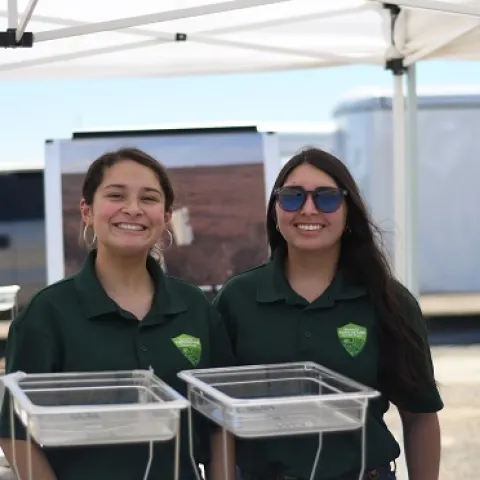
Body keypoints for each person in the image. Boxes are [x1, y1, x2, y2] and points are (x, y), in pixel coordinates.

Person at [0, 147, 236, 480]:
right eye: (116, 195)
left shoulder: (194, 307)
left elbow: (219, 422)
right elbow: (15, 432)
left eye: (149, 198)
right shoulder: (47, 314)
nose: (133, 209)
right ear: (87, 210)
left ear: (166, 215)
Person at [213, 147, 443, 480]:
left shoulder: (390, 300)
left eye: (327, 198)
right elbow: (219, 419)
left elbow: (419, 414)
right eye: (292, 197)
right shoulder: (238, 298)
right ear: (275, 210)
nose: (308, 209)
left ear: (349, 211)